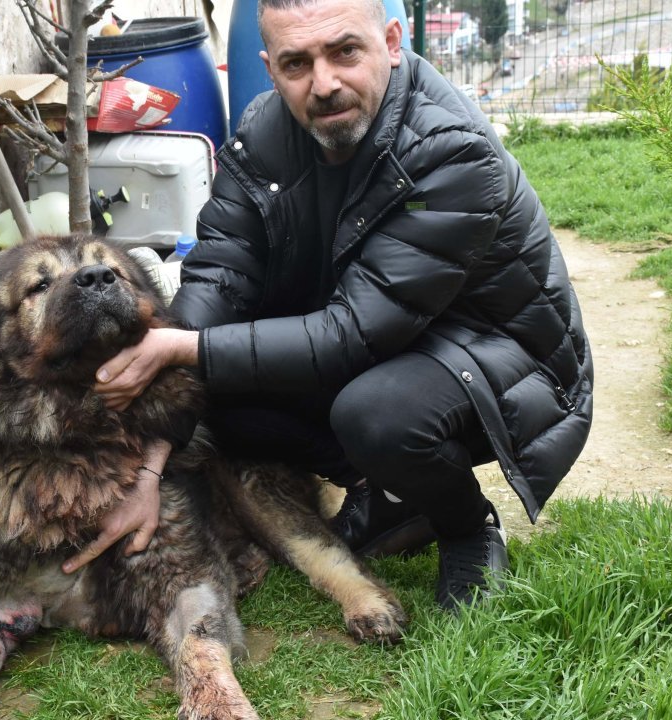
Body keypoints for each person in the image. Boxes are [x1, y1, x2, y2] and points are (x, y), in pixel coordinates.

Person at [65, 0, 593, 612]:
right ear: (267, 67)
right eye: (296, 63)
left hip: (497, 353)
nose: (324, 84)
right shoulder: (266, 130)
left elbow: (354, 335)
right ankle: (390, 491)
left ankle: (466, 524)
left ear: (391, 42)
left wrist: (184, 349)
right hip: (373, 331)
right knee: (223, 394)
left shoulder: (452, 152)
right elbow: (218, 278)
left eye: (345, 51)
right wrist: (154, 460)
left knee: (375, 416)